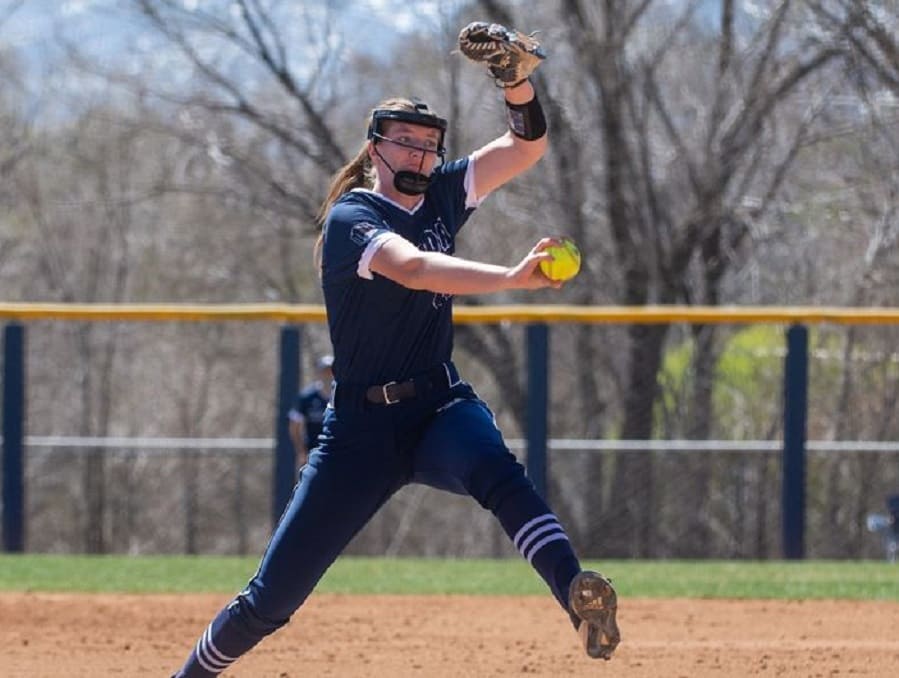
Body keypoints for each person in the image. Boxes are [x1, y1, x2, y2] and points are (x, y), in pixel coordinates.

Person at [172, 22, 619, 677]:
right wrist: (509, 279)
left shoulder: (441, 193)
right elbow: (412, 269)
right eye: (404, 143)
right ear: (375, 148)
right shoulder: (354, 217)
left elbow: (525, 148)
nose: (418, 156)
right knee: (271, 601)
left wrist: (515, 81)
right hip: (358, 431)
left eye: (429, 146)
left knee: (498, 472)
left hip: (439, 406)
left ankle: (578, 600)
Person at [287, 354, 334, 468]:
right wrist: (301, 451)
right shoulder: (307, 397)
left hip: (338, 451)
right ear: (319, 373)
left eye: (331, 371)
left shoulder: (343, 396)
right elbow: (294, 425)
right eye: (325, 371)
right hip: (313, 452)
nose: (328, 375)